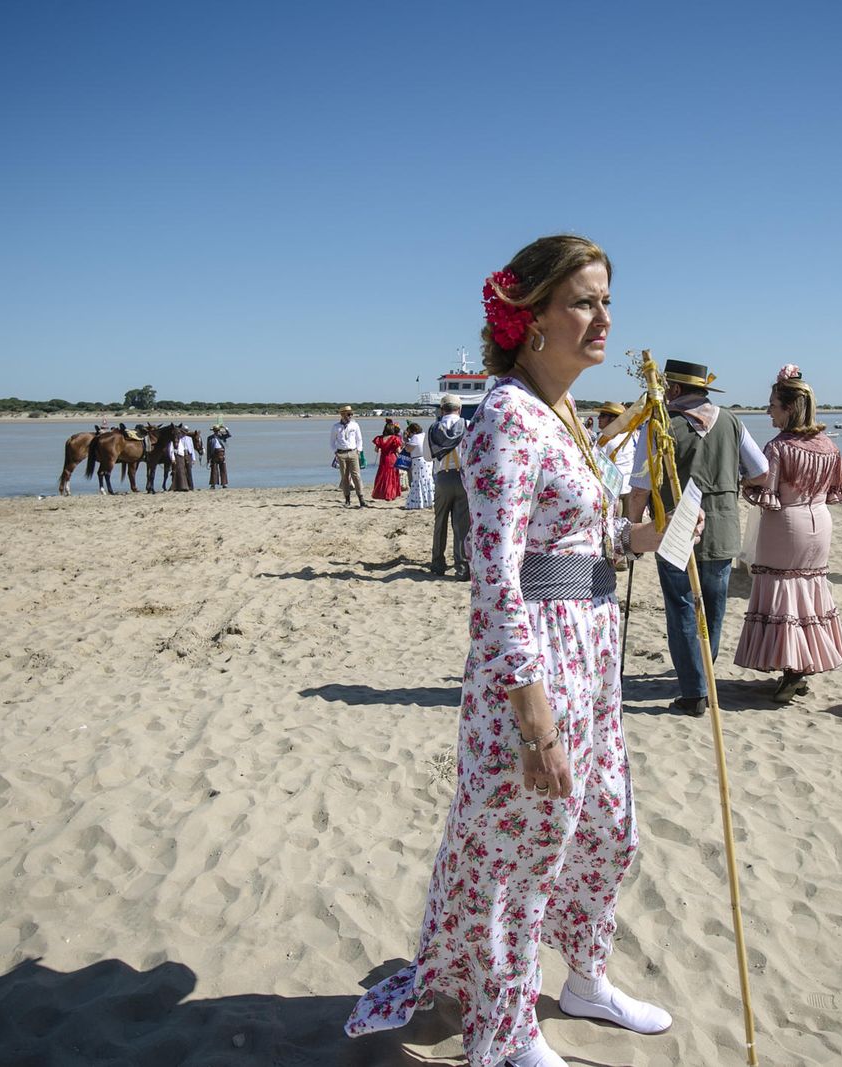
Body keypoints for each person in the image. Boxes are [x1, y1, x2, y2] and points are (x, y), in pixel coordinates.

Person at [346, 236, 675, 1067]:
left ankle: (585, 979)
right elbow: (494, 579)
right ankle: (507, 1024)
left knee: (607, 829)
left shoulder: (564, 413)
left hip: (593, 659)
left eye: (607, 299)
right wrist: (534, 719)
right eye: (585, 301)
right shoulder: (504, 416)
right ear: (529, 319)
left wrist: (646, 537)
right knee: (521, 855)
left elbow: (582, 541)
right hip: (534, 671)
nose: (605, 317)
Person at [627, 359, 768, 715]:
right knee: (714, 609)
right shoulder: (732, 422)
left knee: (682, 609)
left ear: (672, 390)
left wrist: (632, 531)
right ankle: (703, 680)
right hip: (721, 527)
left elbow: (641, 487)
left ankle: (694, 691)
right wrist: (731, 479)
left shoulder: (659, 425)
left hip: (677, 527)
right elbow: (762, 472)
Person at [733, 365, 842, 703]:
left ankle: (792, 669)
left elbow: (765, 493)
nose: (768, 411)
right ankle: (800, 666)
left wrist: (745, 483)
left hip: (787, 523)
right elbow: (836, 490)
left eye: (772, 405)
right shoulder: (829, 445)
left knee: (782, 591)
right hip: (819, 521)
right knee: (809, 590)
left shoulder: (779, 447)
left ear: (789, 408)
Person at [428, 396, 470, 576]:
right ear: (459, 409)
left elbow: (428, 456)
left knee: (440, 522)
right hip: (462, 477)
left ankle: (438, 563)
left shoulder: (433, 429)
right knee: (461, 525)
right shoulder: (468, 425)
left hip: (443, 477)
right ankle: (461, 567)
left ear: (441, 409)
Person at [595, 400, 635, 501]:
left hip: (611, 490)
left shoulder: (605, 436)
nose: (598, 418)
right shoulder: (631, 435)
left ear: (613, 419)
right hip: (628, 487)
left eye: (603, 415)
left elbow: (595, 461)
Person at [331, 405, 367, 507]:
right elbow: (332, 442)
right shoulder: (336, 427)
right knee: (345, 477)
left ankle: (361, 499)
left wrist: (359, 450)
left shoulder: (355, 425)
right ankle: (347, 499)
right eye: (348, 414)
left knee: (357, 476)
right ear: (342, 414)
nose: (350, 416)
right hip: (341, 453)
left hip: (353, 452)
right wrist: (335, 452)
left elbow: (359, 439)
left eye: (351, 414)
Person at [403, 421, 434, 510]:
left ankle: (419, 502)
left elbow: (408, 449)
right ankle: (429, 500)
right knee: (428, 480)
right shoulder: (425, 435)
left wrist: (405, 440)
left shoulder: (415, 437)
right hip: (428, 460)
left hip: (418, 460)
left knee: (418, 480)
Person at [370, 422, 404, 501]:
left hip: (383, 459)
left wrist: (382, 448)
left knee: (383, 476)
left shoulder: (380, 438)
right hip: (392, 458)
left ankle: (383, 493)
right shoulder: (395, 438)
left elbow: (376, 450)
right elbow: (398, 451)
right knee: (392, 477)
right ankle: (391, 494)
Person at [206, 424, 230, 488]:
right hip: (214, 454)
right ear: (213, 431)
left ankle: (224, 484)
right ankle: (213, 484)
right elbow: (208, 449)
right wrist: (208, 459)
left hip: (221, 453)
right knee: (214, 470)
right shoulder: (210, 438)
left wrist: (225, 428)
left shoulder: (222, 436)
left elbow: (228, 435)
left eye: (217, 430)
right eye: (215, 430)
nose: (216, 432)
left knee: (223, 469)